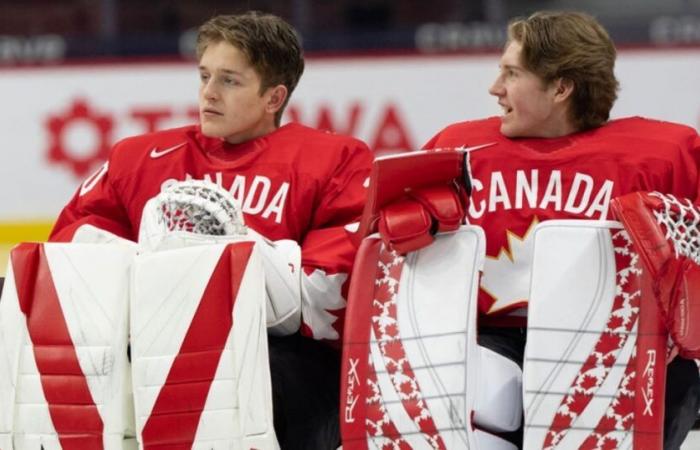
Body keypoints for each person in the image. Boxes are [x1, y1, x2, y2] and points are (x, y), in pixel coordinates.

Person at [49, 11, 373, 449]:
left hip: (274, 360)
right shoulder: (140, 158)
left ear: (273, 97)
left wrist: (217, 248)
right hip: (149, 345)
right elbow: (72, 255)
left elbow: (322, 296)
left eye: (229, 81)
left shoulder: (334, 161)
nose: (208, 94)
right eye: (204, 76)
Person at [421, 11, 700, 450]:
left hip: (614, 347)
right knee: (454, 384)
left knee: (673, 381)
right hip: (492, 344)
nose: (495, 89)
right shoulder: (459, 150)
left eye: (511, 73)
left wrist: (673, 321)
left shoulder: (663, 157)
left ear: (560, 87)